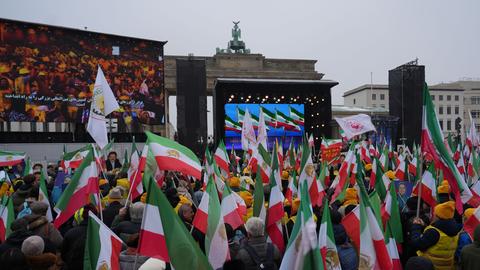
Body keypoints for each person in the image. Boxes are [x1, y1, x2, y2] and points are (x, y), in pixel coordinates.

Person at [410, 201, 461, 270]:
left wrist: (416, 227)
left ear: (439, 216)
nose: (433, 214)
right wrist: (424, 226)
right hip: (447, 267)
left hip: (431, 266)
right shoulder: (456, 229)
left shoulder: (433, 232)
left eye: (435, 213)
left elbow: (417, 244)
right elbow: (438, 237)